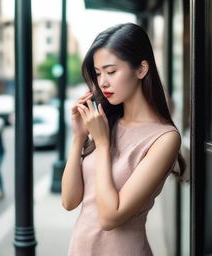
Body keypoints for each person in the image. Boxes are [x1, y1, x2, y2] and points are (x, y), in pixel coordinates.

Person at [61, 23, 186, 256]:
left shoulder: (164, 138)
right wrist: (79, 137)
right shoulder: (106, 122)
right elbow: (69, 201)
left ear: (141, 69)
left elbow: (110, 217)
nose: (103, 82)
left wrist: (103, 144)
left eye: (111, 71)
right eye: (98, 73)